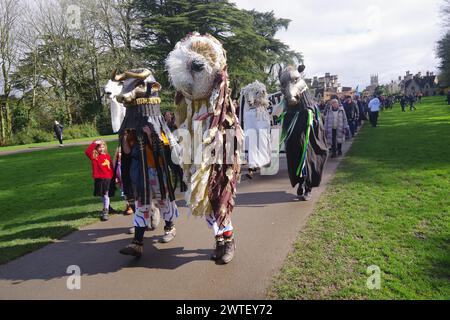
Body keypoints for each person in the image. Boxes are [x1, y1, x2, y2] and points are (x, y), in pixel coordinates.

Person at [85, 140, 114, 221]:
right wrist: (95, 143)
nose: (101, 149)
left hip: (107, 179)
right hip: (99, 179)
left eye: (103, 147)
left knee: (105, 195)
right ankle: (108, 207)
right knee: (102, 194)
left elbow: (111, 167)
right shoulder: (94, 157)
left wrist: (113, 177)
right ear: (96, 148)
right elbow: (87, 151)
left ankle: (105, 211)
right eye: (99, 147)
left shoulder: (107, 156)